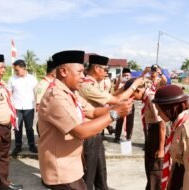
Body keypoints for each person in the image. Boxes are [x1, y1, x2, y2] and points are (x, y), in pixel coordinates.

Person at [38, 50, 133, 190]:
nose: (83, 76)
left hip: (72, 165)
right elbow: (80, 132)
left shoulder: (70, 93)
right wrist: (115, 114)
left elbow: (93, 112)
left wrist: (117, 107)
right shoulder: (55, 97)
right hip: (62, 172)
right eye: (80, 72)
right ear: (64, 72)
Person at [79, 55, 143, 190]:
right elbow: (116, 100)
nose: (106, 72)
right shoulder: (86, 85)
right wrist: (134, 86)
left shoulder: (96, 84)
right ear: (96, 68)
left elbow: (113, 96)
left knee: (100, 172)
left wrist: (127, 86)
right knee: (89, 176)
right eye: (105, 69)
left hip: (97, 131)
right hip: (89, 133)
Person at [153, 85, 189, 190]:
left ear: (169, 109)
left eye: (159, 110)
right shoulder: (177, 126)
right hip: (180, 175)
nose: (158, 113)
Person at [123, 78, 166, 190]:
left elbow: (162, 124)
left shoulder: (151, 98)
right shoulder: (146, 98)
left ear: (138, 90)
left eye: (131, 94)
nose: (131, 98)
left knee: (155, 169)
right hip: (151, 133)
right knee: (149, 166)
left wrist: (161, 149)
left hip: (156, 133)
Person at [0, 54, 23, 190]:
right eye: (1, 68)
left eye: (4, 67)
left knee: (3, 158)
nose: (4, 70)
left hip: (5, 127)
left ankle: (3, 185)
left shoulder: (1, 83)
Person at [7, 60, 38, 155]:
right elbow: (9, 93)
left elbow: (36, 92)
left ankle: (32, 145)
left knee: (29, 128)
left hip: (29, 107)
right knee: (17, 128)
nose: (16, 72)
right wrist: (10, 106)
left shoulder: (32, 79)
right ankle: (18, 146)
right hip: (17, 107)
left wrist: (37, 104)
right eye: (15, 70)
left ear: (23, 68)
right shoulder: (12, 79)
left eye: (17, 70)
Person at [114, 68, 135, 142]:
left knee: (130, 121)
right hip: (120, 103)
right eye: (124, 75)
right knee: (119, 120)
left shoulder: (132, 82)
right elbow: (115, 90)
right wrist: (119, 81)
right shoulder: (120, 81)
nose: (126, 77)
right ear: (122, 75)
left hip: (130, 102)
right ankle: (117, 136)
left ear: (130, 75)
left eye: (128, 75)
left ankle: (128, 136)